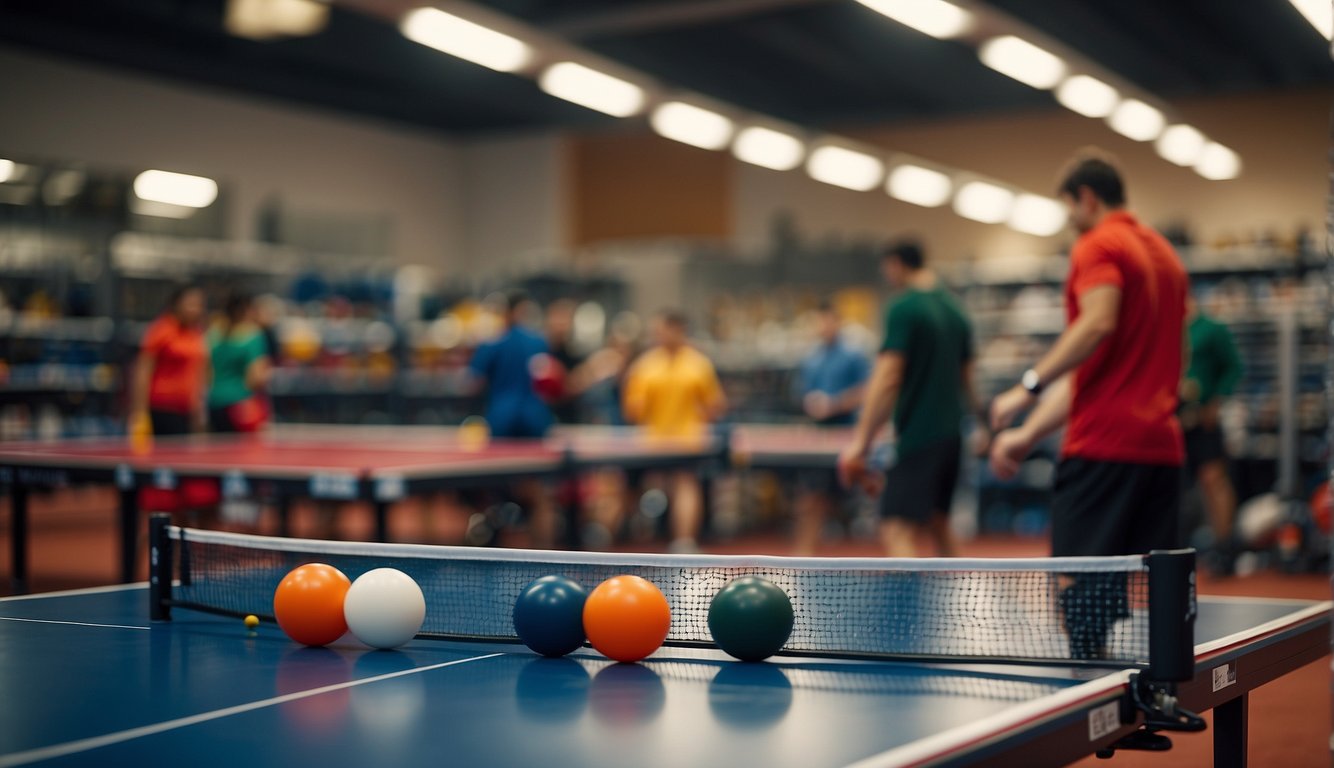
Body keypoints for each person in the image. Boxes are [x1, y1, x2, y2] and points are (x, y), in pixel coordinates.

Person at [988, 153, 1188, 658]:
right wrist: (1028, 434)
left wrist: (1026, 387)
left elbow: (1096, 324)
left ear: (1087, 198)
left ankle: (1091, 720)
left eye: (1069, 210)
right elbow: (1095, 370)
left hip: (1103, 449)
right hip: (1160, 450)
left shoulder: (1098, 242)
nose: (1070, 222)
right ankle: (1156, 703)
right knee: (1159, 588)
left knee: (1080, 599)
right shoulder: (1165, 256)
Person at [837, 241, 977, 558]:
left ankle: (909, 609)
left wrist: (861, 443)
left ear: (897, 264)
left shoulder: (904, 307)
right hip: (952, 436)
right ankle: (961, 608)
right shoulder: (956, 310)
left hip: (918, 436)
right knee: (939, 522)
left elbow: (887, 377)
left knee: (896, 527)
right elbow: (969, 380)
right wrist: (983, 426)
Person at [622, 309, 727, 553]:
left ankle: (684, 542)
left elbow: (716, 406)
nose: (660, 334)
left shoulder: (698, 364)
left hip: (687, 442)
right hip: (652, 443)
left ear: (679, 330)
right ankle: (621, 537)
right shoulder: (645, 365)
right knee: (633, 486)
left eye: (664, 329)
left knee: (685, 484)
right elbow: (633, 411)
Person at [467, 291, 557, 546]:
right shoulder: (538, 342)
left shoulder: (493, 342)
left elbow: (473, 381)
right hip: (534, 419)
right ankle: (545, 552)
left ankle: (498, 550)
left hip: (502, 421)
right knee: (540, 491)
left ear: (506, 313)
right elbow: (549, 382)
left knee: (496, 490)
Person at [793, 301, 870, 555]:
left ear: (837, 322)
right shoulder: (811, 358)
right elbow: (803, 393)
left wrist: (835, 404)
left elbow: (866, 391)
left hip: (848, 439)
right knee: (812, 498)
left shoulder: (854, 355)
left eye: (827, 321)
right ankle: (803, 558)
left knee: (849, 498)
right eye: (818, 322)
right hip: (818, 440)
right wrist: (813, 404)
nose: (822, 327)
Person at [1181, 294, 1243, 575]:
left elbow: (1233, 368)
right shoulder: (1164, 327)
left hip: (1204, 420)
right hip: (1174, 422)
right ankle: (1170, 552)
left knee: (1213, 479)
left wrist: (1215, 403)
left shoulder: (1211, 329)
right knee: (1171, 487)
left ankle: (1224, 547)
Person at [129, 285, 209, 437]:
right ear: (177, 303)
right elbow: (143, 370)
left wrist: (199, 408)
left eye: (199, 305)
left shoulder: (196, 333)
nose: (195, 309)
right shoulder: (162, 329)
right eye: (190, 303)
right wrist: (139, 412)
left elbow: (199, 372)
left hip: (186, 409)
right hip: (162, 408)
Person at [207, 292, 272, 433]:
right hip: (241, 404)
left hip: (214, 401)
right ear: (248, 310)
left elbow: (206, 371)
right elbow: (256, 378)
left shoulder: (213, 333)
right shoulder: (253, 335)